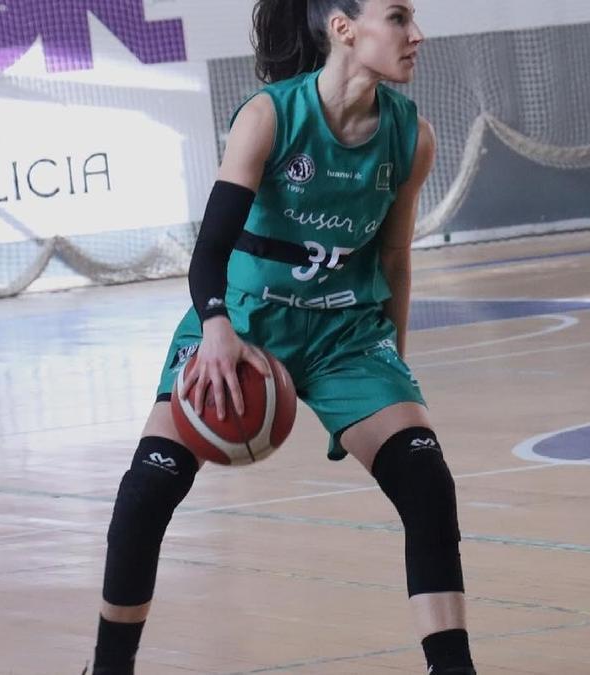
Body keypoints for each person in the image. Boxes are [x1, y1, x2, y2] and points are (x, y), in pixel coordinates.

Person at [88, 1, 475, 672]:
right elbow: (208, 251)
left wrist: (394, 369)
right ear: (345, 29)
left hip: (346, 332)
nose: (417, 35)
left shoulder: (412, 138)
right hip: (240, 319)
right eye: (399, 16)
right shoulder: (269, 117)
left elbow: (393, 262)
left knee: (426, 482)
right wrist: (214, 327)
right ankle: (108, 667)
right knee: (149, 487)